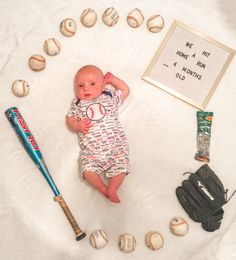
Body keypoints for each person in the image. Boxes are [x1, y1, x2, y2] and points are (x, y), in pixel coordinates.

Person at [66, 65, 130, 203]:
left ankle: (112, 189)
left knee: (121, 167)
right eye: (80, 85)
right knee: (87, 170)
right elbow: (70, 118)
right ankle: (102, 188)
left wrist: (113, 79)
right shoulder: (77, 104)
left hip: (115, 147)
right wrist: (77, 125)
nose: (86, 88)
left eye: (92, 84)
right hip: (91, 152)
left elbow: (125, 90)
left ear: (103, 85)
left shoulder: (108, 96)